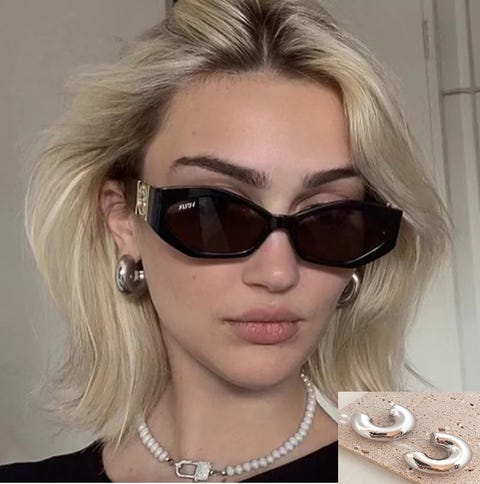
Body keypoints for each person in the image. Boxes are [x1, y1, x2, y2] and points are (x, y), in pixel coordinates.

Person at [0, 0, 452, 481]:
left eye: (329, 219)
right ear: (124, 219)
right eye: (215, 212)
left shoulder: (441, 461)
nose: (278, 273)